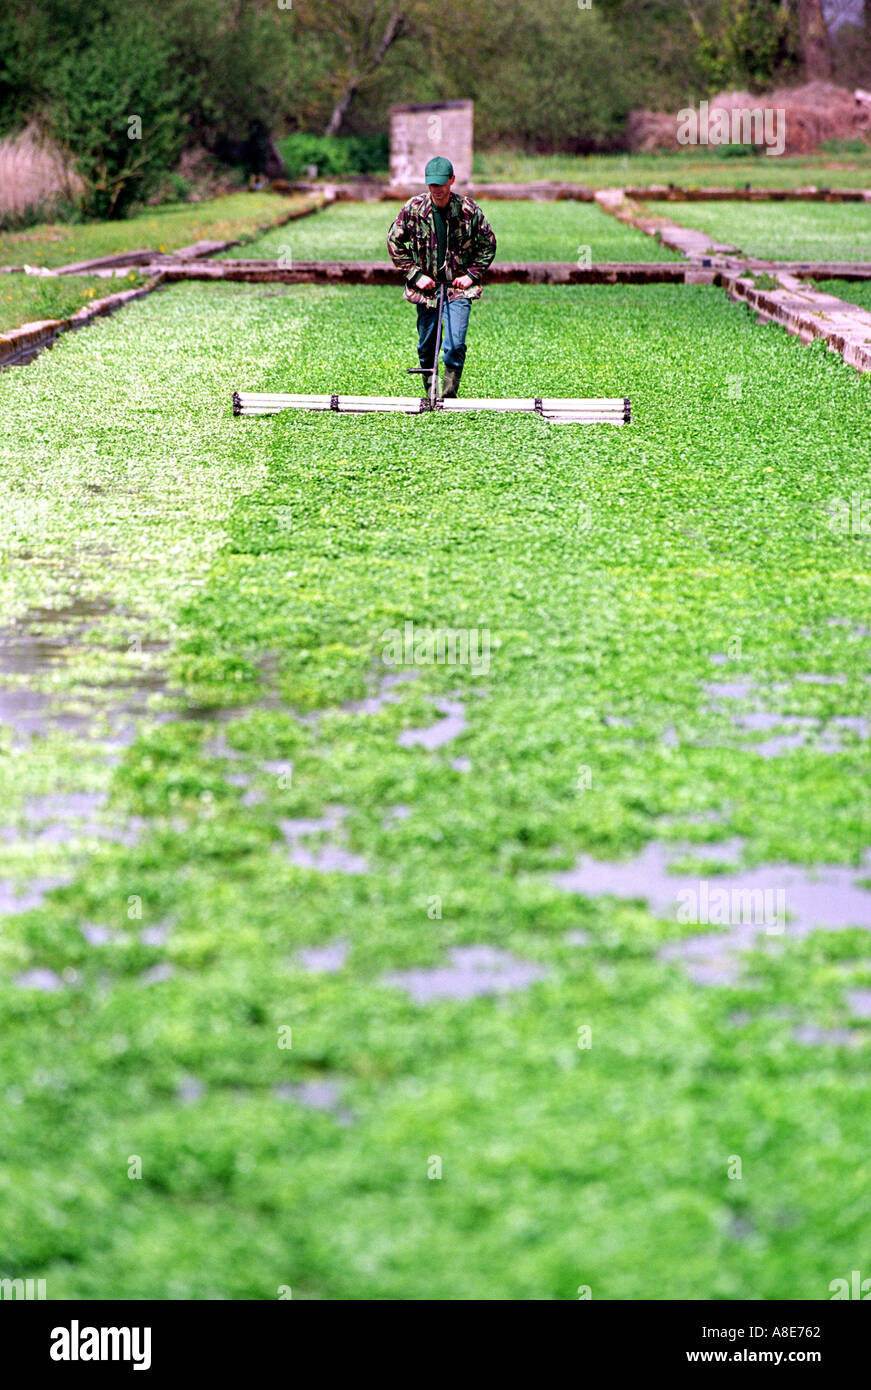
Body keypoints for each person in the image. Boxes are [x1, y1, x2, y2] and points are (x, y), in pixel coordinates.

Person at [386, 155, 497, 400]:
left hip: (458, 288)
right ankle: (430, 389)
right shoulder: (413, 209)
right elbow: (394, 242)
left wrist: (471, 275)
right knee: (427, 346)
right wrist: (415, 275)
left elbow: (488, 244)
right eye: (432, 185)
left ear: (452, 181)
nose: (437, 190)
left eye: (441, 184)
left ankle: (448, 394)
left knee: (455, 344)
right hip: (427, 290)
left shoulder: (468, 210)